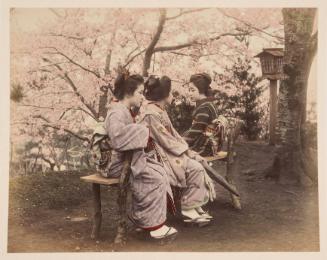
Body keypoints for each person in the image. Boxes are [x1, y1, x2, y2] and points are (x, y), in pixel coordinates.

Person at [104, 72, 177, 240]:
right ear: (129, 93)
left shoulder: (123, 109)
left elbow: (126, 136)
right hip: (116, 164)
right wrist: (142, 130)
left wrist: (140, 132)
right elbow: (117, 138)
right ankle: (154, 226)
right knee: (155, 178)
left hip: (126, 160)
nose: (142, 97)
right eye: (139, 92)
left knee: (159, 171)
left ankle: (146, 222)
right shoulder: (116, 112)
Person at [138, 75, 216, 226]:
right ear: (164, 95)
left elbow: (173, 135)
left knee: (195, 166)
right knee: (195, 167)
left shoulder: (160, 110)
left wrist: (189, 152)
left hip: (167, 149)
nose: (172, 95)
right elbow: (165, 140)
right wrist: (187, 153)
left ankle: (193, 205)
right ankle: (188, 209)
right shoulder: (151, 113)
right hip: (158, 154)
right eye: (171, 93)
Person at [183, 73, 228, 157]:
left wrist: (180, 143)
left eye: (192, 90)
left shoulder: (205, 107)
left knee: (174, 154)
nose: (189, 93)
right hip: (209, 145)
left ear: (201, 90)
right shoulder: (208, 104)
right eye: (189, 90)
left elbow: (196, 131)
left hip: (204, 147)